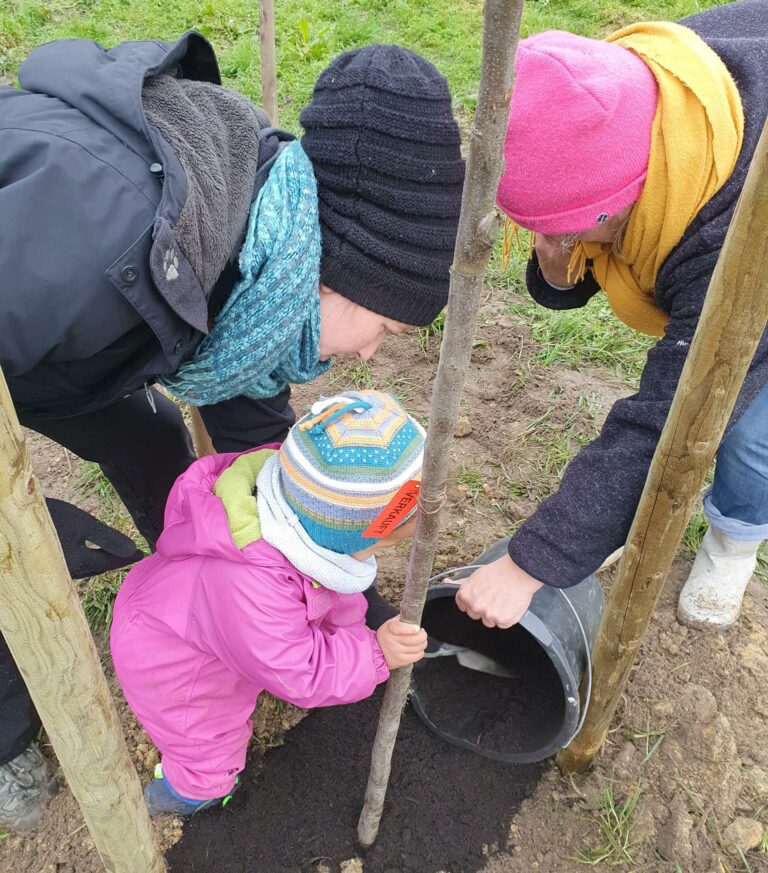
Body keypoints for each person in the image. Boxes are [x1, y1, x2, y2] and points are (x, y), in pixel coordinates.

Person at [0, 34, 464, 830]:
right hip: (32, 318)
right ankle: (8, 733)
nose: (364, 353)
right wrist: (47, 543)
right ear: (332, 269)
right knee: (16, 572)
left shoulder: (260, 255)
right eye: (380, 325)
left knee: (151, 444)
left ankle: (208, 574)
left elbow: (254, 433)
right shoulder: (85, 242)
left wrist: (337, 570)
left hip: (57, 344)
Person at [457, 0, 768, 632]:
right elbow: (581, 254)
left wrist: (532, 563)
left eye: (574, 231)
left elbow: (675, 414)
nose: (568, 245)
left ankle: (735, 537)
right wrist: (555, 255)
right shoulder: (643, 90)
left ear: (631, 198)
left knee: (750, 434)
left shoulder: (735, 233)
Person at [110, 391, 428, 815]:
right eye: (382, 544)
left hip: (217, 623)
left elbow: (335, 592)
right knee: (207, 741)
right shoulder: (252, 589)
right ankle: (189, 792)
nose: (379, 554)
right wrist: (373, 655)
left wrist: (355, 641)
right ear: (348, 537)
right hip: (176, 663)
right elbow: (300, 673)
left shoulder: (302, 501)